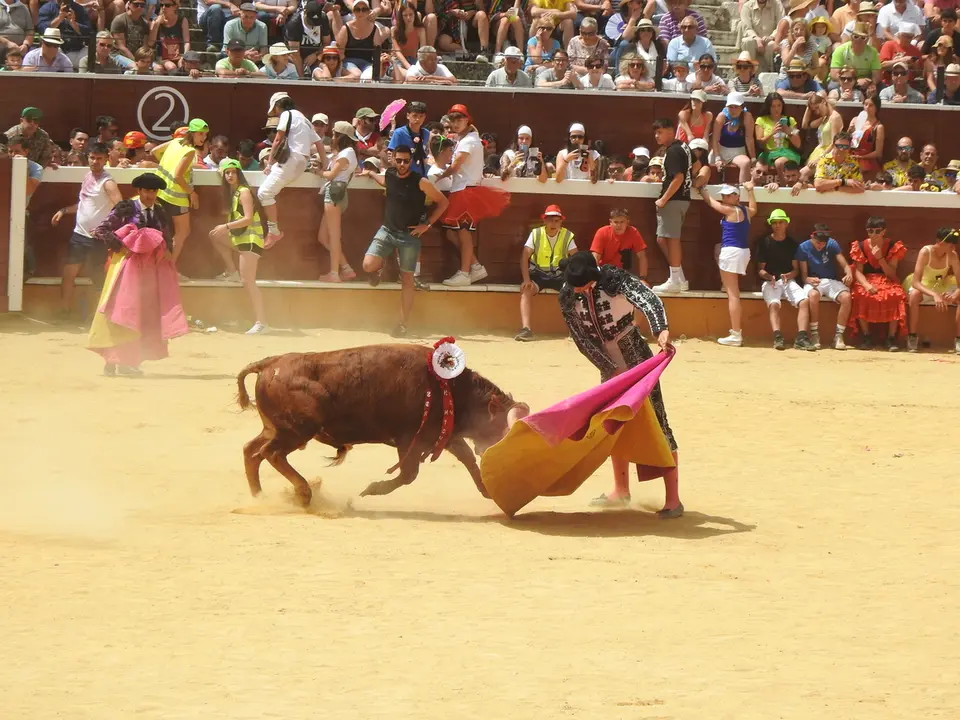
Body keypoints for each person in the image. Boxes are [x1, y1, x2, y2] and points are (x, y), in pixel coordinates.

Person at [557, 251, 682, 518]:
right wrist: (608, 368)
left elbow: (650, 300)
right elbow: (580, 338)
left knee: (658, 423)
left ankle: (673, 499)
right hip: (608, 364)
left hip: (635, 356)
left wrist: (660, 330)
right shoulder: (568, 293)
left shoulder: (616, 280)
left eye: (586, 285)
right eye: (578, 286)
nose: (581, 290)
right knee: (613, 427)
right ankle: (621, 490)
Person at [88, 173, 187, 376]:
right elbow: (102, 230)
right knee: (120, 311)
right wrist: (123, 245)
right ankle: (112, 361)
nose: (151, 195)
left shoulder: (159, 210)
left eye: (154, 191)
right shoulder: (126, 208)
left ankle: (126, 362)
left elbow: (166, 237)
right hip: (125, 268)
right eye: (147, 191)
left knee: (140, 314)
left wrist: (166, 253)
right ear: (139, 191)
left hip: (150, 271)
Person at [361, 144, 449, 336]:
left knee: (407, 279)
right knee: (368, 265)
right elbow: (383, 180)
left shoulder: (421, 181)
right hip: (388, 229)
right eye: (398, 160)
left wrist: (427, 225)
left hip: (409, 235)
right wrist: (370, 174)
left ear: (411, 161)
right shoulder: (390, 175)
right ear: (393, 159)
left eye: (405, 161)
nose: (402, 164)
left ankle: (402, 324)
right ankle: (380, 268)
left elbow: (443, 202)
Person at [434, 104, 509, 287]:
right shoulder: (467, 138)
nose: (456, 122)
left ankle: (465, 272)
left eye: (459, 118)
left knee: (463, 234)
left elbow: (455, 167)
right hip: (463, 189)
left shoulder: (468, 141)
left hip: (465, 191)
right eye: (453, 119)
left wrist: (438, 175)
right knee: (454, 233)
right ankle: (474, 266)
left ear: (468, 120)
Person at [50, 142, 122, 320]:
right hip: (79, 235)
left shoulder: (108, 183)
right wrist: (64, 210)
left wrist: (106, 228)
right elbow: (84, 204)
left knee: (98, 279)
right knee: (68, 274)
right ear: (88, 158)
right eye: (92, 157)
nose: (95, 161)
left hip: (98, 239)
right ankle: (65, 311)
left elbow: (121, 208)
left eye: (99, 158)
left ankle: (100, 318)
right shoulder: (87, 177)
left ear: (105, 160)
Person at [207, 158, 269, 334]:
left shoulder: (244, 192)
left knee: (248, 281)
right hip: (242, 240)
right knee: (215, 236)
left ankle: (261, 321)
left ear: (239, 174)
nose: (230, 175)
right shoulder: (234, 193)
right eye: (227, 172)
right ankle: (232, 271)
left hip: (251, 241)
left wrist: (225, 226)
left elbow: (248, 218)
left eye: (233, 172)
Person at [259, 91, 322, 248]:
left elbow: (278, 139)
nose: (277, 113)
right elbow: (319, 144)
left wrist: (269, 163)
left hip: (292, 160)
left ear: (279, 105)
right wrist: (325, 164)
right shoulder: (305, 119)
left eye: (276, 109)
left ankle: (274, 231)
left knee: (264, 193)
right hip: (301, 163)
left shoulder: (287, 114)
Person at [699, 181, 757, 347]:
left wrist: (703, 189)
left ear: (736, 196)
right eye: (723, 195)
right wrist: (751, 190)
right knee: (733, 292)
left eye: (728, 195)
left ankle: (736, 333)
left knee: (733, 294)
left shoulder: (730, 210)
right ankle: (735, 332)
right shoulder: (746, 211)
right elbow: (754, 208)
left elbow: (710, 202)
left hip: (731, 252)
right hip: (743, 252)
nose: (724, 197)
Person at [152, 117, 209, 273]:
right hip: (176, 198)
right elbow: (178, 176)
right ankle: (169, 269)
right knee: (183, 232)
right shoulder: (189, 151)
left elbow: (154, 152)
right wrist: (192, 193)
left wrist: (166, 164)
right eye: (200, 134)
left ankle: (161, 267)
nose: (203, 138)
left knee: (164, 234)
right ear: (192, 133)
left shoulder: (175, 142)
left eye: (205, 135)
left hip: (160, 194)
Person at [515, 204, 578, 342]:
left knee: (573, 291)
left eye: (556, 220)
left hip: (560, 275)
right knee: (526, 290)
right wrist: (526, 279)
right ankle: (526, 329)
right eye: (550, 220)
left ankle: (574, 330)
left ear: (561, 221)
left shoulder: (567, 235)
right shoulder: (536, 233)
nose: (553, 223)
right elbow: (524, 256)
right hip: (539, 274)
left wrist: (574, 279)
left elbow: (576, 258)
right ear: (544, 221)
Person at [755, 208, 814, 351]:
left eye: (780, 222)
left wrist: (788, 276)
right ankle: (777, 336)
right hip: (771, 282)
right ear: (771, 224)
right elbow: (760, 270)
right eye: (775, 223)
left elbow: (796, 270)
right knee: (774, 304)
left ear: (786, 224)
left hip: (788, 281)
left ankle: (801, 337)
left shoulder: (792, 244)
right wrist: (769, 277)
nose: (777, 225)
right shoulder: (764, 243)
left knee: (804, 301)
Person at [848, 215, 907, 350]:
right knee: (860, 294)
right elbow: (858, 271)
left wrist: (880, 258)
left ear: (883, 231)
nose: (873, 234)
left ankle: (891, 337)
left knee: (896, 295)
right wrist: (867, 285)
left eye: (877, 231)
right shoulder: (861, 246)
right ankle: (866, 335)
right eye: (870, 231)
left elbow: (892, 273)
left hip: (886, 279)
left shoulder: (893, 246)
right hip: (866, 279)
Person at [650, 117, 692, 295]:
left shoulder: (674, 151)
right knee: (665, 238)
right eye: (655, 133)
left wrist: (663, 199)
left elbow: (679, 178)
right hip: (681, 198)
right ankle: (679, 278)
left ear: (670, 130)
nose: (657, 136)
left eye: (660, 132)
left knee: (672, 239)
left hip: (674, 199)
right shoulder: (683, 147)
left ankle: (675, 280)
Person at [797, 223, 855, 351]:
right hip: (813, 282)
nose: (820, 246)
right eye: (818, 242)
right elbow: (804, 276)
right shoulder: (803, 247)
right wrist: (809, 279)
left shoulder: (832, 244)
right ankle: (814, 334)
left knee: (846, 297)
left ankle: (839, 336)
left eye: (823, 243)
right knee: (813, 295)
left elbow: (845, 265)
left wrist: (849, 274)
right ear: (812, 236)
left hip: (830, 280)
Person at [903, 227, 960, 353]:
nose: (953, 247)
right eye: (950, 243)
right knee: (914, 295)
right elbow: (915, 282)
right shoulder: (925, 252)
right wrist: (935, 295)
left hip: (942, 285)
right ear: (940, 242)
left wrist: (955, 293)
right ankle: (912, 336)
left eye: (954, 244)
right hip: (924, 285)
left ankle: (958, 339)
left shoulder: (952, 255)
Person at [316, 120, 358, 282]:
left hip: (334, 194)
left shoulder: (346, 153)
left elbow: (331, 175)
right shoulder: (348, 152)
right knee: (324, 237)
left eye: (334, 134)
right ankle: (346, 268)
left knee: (333, 236)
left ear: (341, 137)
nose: (332, 136)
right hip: (337, 194)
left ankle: (334, 273)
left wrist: (317, 171)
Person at [590, 207, 647, 276]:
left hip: (624, 274)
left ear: (627, 222)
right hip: (604, 272)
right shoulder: (602, 232)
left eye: (622, 222)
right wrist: (594, 277)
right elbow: (595, 257)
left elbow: (642, 256)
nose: (619, 225)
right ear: (610, 222)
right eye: (616, 222)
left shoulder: (633, 232)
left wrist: (643, 278)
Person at [387, 100, 430, 176]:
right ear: (408, 116)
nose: (418, 119)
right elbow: (391, 154)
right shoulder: (399, 133)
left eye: (421, 116)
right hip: (403, 174)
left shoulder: (426, 133)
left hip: (420, 174)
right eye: (415, 116)